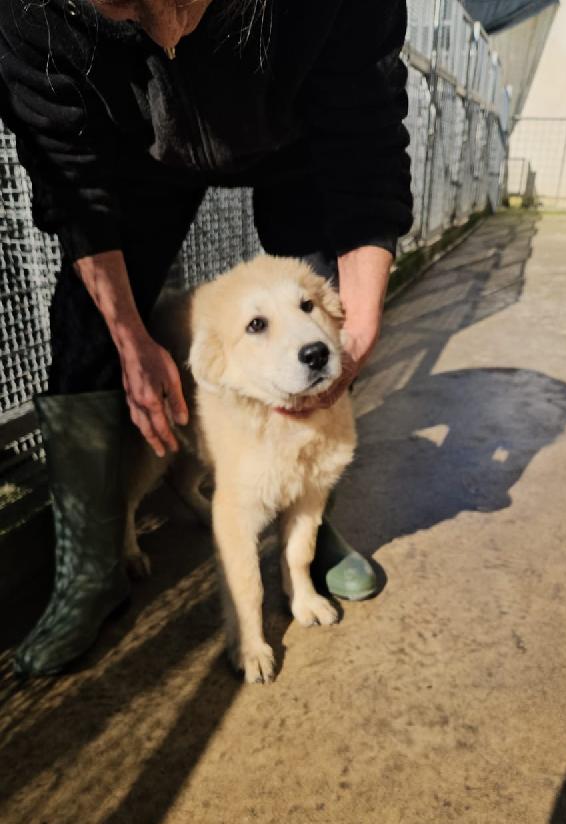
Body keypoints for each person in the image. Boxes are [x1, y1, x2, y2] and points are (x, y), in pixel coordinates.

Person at [0, 0, 413, 677]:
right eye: (126, 10)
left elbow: (365, 130)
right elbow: (67, 177)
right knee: (86, 329)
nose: (169, 31)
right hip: (133, 148)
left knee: (309, 299)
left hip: (295, 131)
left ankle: (307, 521)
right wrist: (131, 338)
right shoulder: (27, 17)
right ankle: (92, 561)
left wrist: (358, 329)